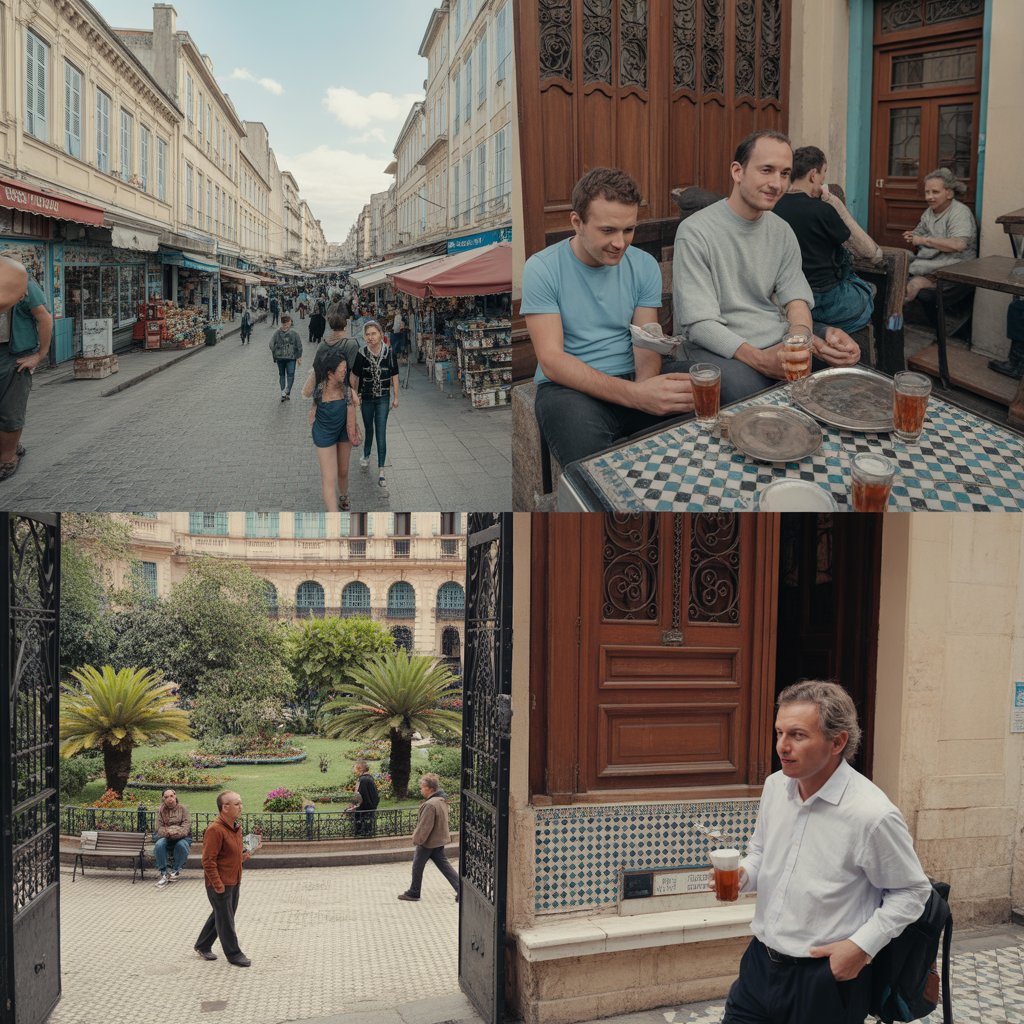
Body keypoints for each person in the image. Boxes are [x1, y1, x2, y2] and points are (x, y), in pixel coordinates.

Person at [720, 681, 931, 1024]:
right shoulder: (775, 788)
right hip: (760, 966)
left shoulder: (872, 814)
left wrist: (860, 948)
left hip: (825, 979)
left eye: (798, 735)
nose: (782, 747)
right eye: (779, 732)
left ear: (838, 742)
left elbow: (912, 891)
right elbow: (759, 851)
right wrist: (743, 874)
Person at [673, 130, 862, 405]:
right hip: (716, 346)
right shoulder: (695, 232)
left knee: (841, 368)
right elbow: (699, 324)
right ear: (738, 172)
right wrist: (762, 360)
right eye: (766, 170)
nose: (777, 183)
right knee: (753, 394)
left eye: (784, 173)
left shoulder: (781, 230)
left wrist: (801, 341)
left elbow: (796, 298)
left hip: (774, 337)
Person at [521, 167, 695, 467]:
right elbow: (551, 360)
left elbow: (646, 341)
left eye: (628, 230)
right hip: (570, 389)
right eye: (608, 230)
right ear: (577, 222)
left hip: (633, 376)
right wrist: (638, 397)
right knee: (594, 467)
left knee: (710, 388)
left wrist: (647, 388)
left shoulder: (643, 265)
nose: (620, 242)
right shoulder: (542, 268)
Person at [773, 146, 881, 335]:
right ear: (813, 175)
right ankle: (821, 329)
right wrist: (836, 204)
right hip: (825, 298)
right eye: (824, 173)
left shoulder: (773, 207)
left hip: (787, 297)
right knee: (868, 294)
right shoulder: (823, 209)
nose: (824, 179)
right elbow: (871, 253)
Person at [194, 791, 261, 967]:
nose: (241, 807)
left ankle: (202, 945)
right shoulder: (215, 830)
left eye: (240, 803)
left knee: (222, 915)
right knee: (226, 920)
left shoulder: (235, 828)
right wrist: (218, 885)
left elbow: (234, 857)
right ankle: (234, 954)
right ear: (225, 807)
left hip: (234, 880)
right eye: (237, 804)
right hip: (220, 884)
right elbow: (208, 861)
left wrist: (250, 852)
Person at [0, 256, 52, 482]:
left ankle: (7, 459)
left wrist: (39, 355)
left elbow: (44, 319)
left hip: (14, 356)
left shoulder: (26, 285)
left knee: (10, 411)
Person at [903, 167, 978, 305]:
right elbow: (919, 232)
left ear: (949, 193)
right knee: (897, 265)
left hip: (954, 271)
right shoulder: (929, 212)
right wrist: (912, 235)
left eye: (935, 192)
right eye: (927, 192)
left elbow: (959, 244)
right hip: (932, 265)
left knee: (913, 285)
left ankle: (892, 318)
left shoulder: (959, 212)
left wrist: (923, 240)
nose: (929, 197)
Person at [307, 344, 360, 512]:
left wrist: (353, 407)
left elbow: (357, 403)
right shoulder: (319, 389)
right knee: (329, 478)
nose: (345, 372)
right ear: (330, 373)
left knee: (343, 471)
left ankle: (343, 495)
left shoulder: (347, 391)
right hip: (324, 433)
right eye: (341, 369)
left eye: (345, 368)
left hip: (344, 431)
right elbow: (305, 393)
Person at [350, 318, 399, 489]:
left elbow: (394, 375)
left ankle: (381, 470)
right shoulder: (361, 353)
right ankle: (366, 454)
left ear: (381, 335)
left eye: (374, 334)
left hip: (383, 398)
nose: (370, 337)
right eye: (368, 334)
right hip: (367, 398)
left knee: (381, 431)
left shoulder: (389, 353)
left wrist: (396, 397)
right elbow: (354, 376)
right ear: (364, 337)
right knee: (369, 429)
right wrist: (354, 394)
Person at [397, 773, 460, 903]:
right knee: (445, 867)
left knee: (417, 867)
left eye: (422, 787)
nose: (421, 789)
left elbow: (424, 826)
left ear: (430, 788)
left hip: (428, 843)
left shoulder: (430, 804)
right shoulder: (441, 801)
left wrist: (417, 840)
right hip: (438, 841)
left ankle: (414, 892)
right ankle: (462, 890)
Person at [154, 789, 192, 887]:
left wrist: (176, 832)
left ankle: (175, 871)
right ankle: (164, 872)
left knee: (182, 845)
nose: (169, 799)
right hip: (167, 837)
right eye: (166, 797)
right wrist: (169, 832)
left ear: (175, 796)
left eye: (171, 796)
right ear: (163, 799)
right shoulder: (160, 811)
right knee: (159, 844)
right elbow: (159, 828)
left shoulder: (183, 809)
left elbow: (186, 827)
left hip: (183, 837)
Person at [269, 313, 303, 401]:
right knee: (290, 375)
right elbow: (299, 346)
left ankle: (283, 393)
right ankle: (286, 392)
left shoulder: (277, 333)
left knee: (282, 375)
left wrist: (276, 351)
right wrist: (299, 357)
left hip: (280, 358)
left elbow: (271, 344)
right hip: (291, 358)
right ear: (289, 322)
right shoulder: (294, 333)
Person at [344, 760, 380, 838]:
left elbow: (358, 795)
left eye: (355, 767)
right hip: (370, 808)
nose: (354, 769)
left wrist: (353, 806)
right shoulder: (369, 778)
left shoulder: (362, 780)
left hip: (363, 810)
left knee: (362, 832)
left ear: (360, 768)